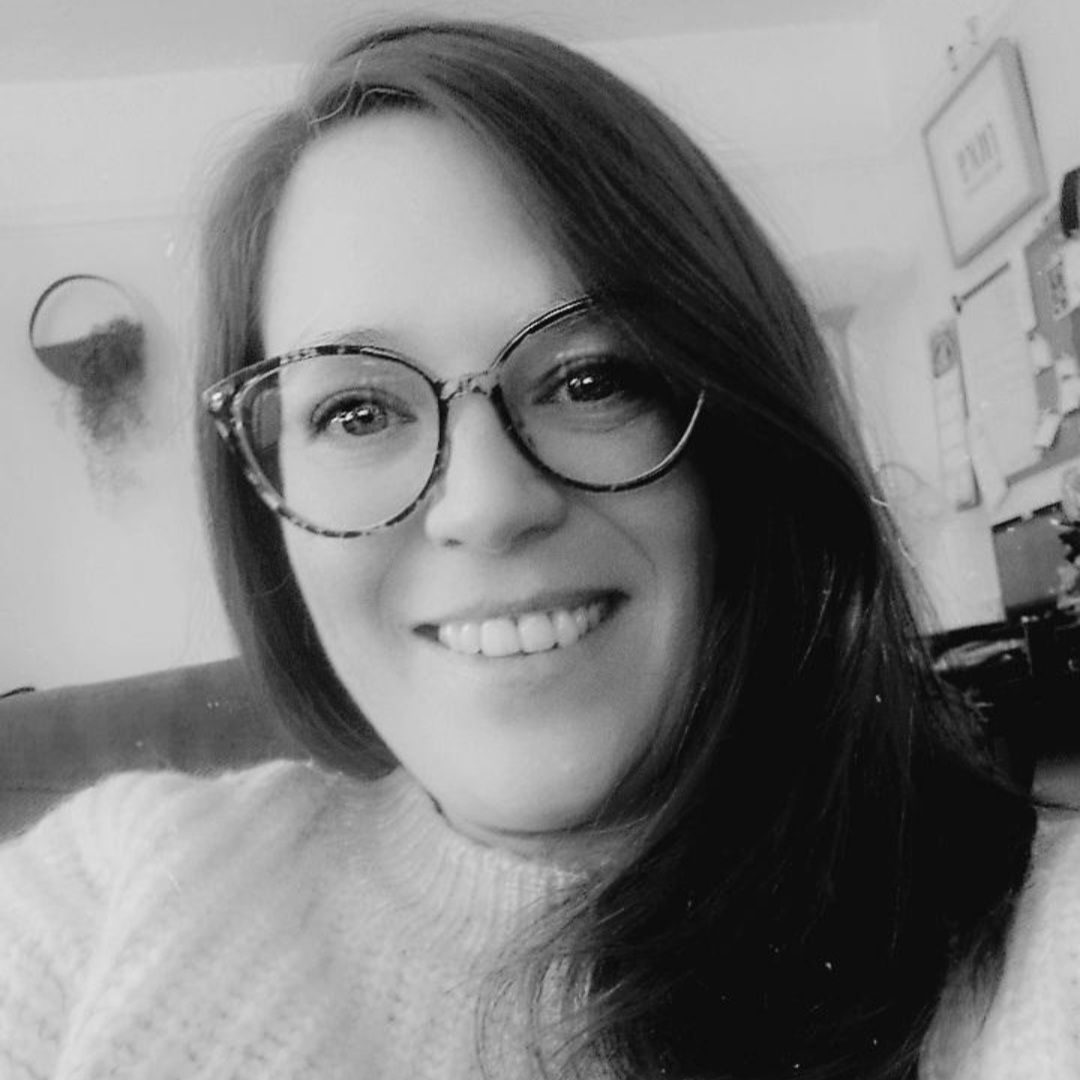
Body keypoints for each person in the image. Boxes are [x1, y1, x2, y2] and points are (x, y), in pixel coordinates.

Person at [0, 16, 1070, 1080]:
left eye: (591, 378)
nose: (486, 504)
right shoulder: (110, 895)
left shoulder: (1038, 950)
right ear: (265, 503)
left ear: (743, 439)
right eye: (358, 412)